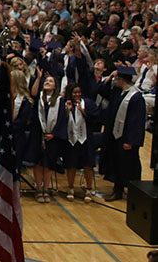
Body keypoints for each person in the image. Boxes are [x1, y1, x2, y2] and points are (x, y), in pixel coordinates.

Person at [102, 65, 146, 202]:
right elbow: (102, 91)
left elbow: (137, 121)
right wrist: (109, 77)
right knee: (117, 163)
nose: (115, 81)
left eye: (116, 79)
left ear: (122, 80)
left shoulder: (136, 97)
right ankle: (118, 189)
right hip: (115, 135)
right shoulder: (118, 92)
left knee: (128, 165)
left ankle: (132, 191)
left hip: (126, 138)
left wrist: (131, 141)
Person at [29, 75, 66, 203]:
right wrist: (39, 78)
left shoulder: (60, 100)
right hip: (38, 134)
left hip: (52, 137)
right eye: (46, 81)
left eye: (51, 81)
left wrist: (54, 134)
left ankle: (46, 188)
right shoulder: (39, 98)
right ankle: (38, 189)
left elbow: (62, 119)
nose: (47, 82)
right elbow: (32, 94)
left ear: (55, 86)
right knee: (38, 163)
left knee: (49, 164)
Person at [62, 83, 96, 203]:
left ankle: (88, 189)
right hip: (71, 139)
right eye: (74, 92)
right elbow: (61, 121)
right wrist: (67, 111)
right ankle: (70, 188)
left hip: (86, 139)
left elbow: (95, 119)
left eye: (79, 92)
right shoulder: (65, 104)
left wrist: (83, 111)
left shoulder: (88, 103)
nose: (77, 94)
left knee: (88, 165)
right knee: (71, 164)